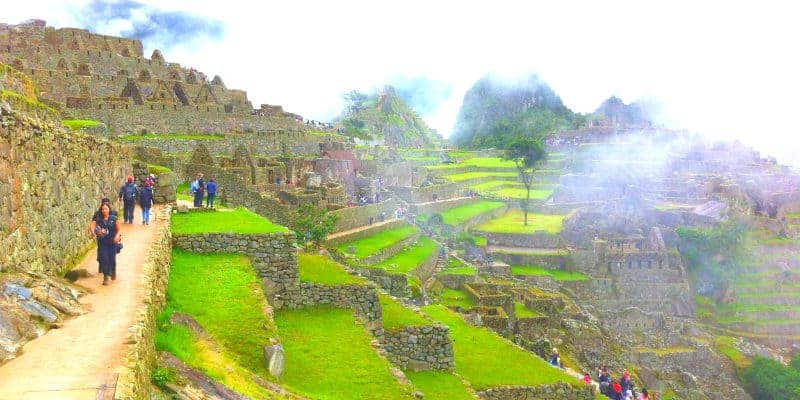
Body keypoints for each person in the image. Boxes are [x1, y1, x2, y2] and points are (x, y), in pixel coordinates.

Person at [92, 202, 121, 285]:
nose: (104, 210)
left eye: (106, 209)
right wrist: (96, 232)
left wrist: (117, 236)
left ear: (109, 209)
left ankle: (113, 270)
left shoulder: (114, 218)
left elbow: (119, 229)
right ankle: (106, 277)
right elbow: (94, 227)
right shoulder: (98, 220)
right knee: (104, 259)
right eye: (102, 209)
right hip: (102, 242)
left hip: (112, 242)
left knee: (112, 259)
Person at [89, 198, 117, 272]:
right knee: (102, 253)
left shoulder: (113, 213)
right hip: (101, 238)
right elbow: (93, 223)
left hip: (111, 238)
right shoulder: (97, 214)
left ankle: (111, 269)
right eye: (103, 206)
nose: (104, 209)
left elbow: (117, 226)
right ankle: (102, 267)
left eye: (107, 205)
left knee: (111, 255)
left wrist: (118, 236)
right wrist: (92, 232)